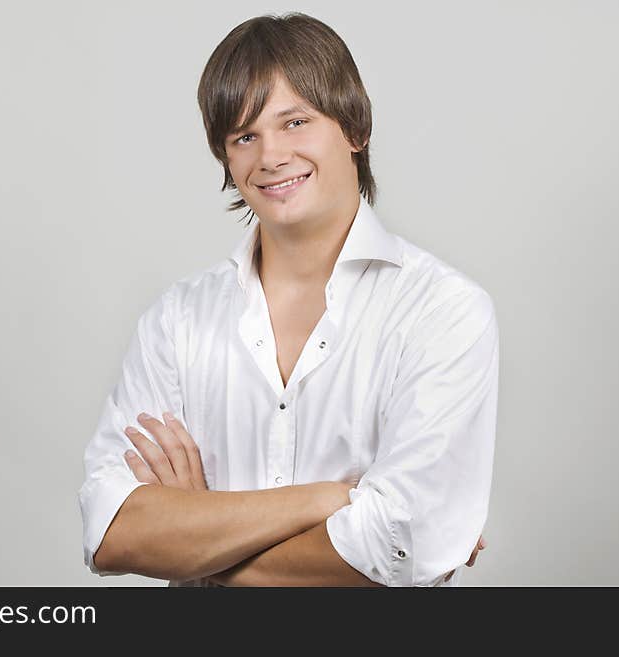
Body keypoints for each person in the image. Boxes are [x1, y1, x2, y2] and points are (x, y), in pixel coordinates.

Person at [77, 12, 497, 587]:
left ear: (354, 129)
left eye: (295, 122)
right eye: (244, 136)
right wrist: (334, 499)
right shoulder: (177, 322)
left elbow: (406, 541)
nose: (270, 156)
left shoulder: (443, 312)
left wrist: (196, 538)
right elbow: (113, 534)